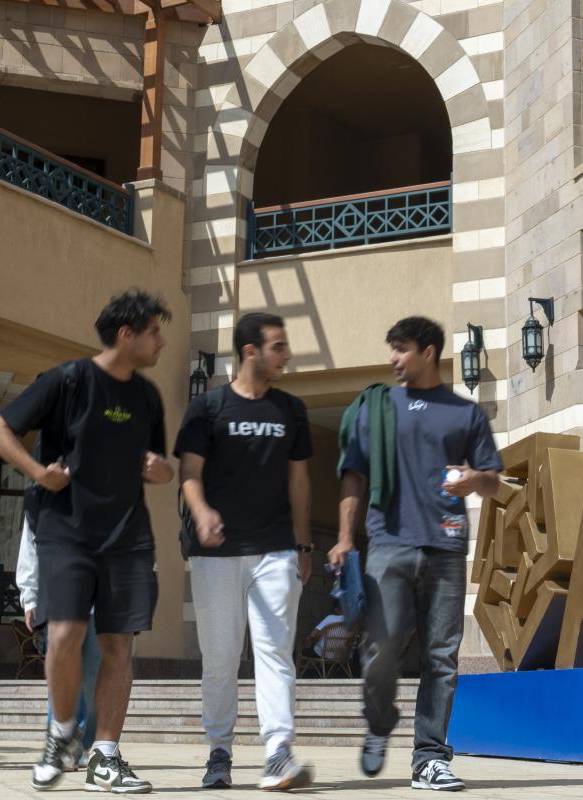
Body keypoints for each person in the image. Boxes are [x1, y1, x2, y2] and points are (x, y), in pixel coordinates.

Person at [0, 290, 175, 793]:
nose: (162, 341)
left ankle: (106, 756)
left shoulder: (148, 397)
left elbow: (160, 464)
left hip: (127, 537)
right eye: (155, 331)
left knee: (118, 646)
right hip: (66, 533)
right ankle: (63, 732)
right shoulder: (67, 381)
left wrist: (161, 470)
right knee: (64, 637)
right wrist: (36, 473)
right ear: (126, 334)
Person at [332, 316, 503, 792]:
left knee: (441, 656)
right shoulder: (377, 408)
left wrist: (475, 480)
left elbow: (494, 479)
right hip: (388, 543)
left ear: (429, 352)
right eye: (391, 349)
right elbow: (354, 476)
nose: (393, 359)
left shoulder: (465, 414)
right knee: (380, 650)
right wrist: (345, 537)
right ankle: (380, 718)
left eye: (401, 349)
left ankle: (430, 757)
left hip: (446, 547)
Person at [175, 312, 316, 791]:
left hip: (275, 549)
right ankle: (219, 752)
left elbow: (299, 481)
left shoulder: (291, 411)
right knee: (220, 659)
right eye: (278, 346)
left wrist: (302, 543)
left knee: (275, 653)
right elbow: (189, 474)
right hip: (216, 555)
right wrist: (201, 512)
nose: (286, 354)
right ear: (250, 351)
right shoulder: (208, 409)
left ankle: (278, 752)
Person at [16, 494, 102, 764]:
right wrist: (29, 597)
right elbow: (30, 543)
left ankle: (87, 745)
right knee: (63, 669)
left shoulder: (105, 483)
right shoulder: (45, 492)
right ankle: (63, 744)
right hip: (59, 592)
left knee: (91, 675)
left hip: (100, 593)